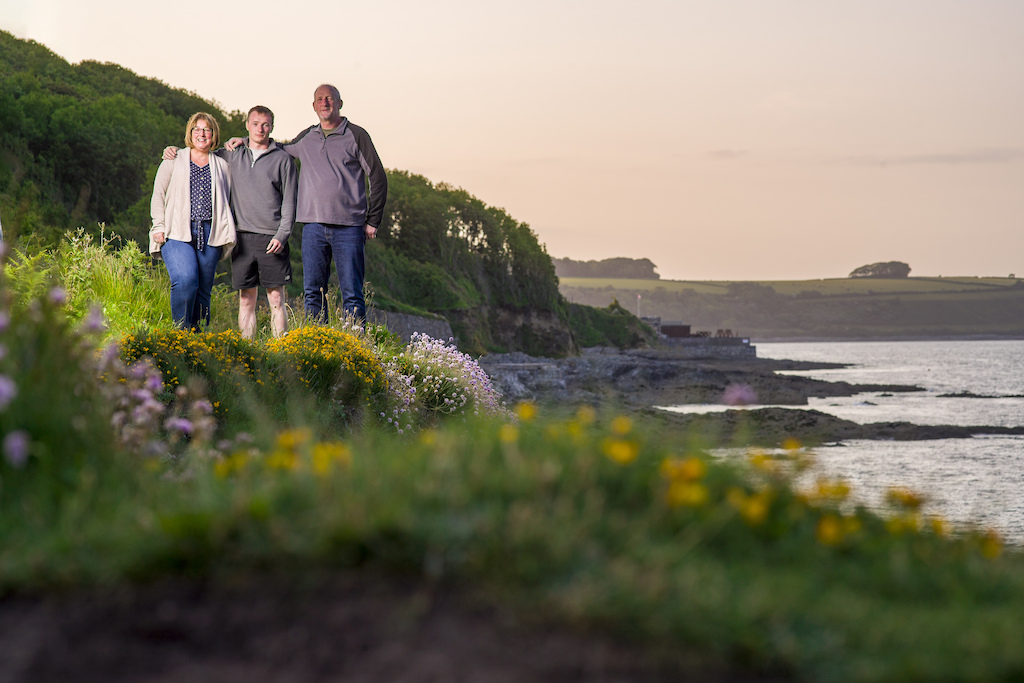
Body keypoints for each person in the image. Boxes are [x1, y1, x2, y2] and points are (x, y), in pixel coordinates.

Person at [227, 84, 387, 323]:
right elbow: (276, 147)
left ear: (339, 103)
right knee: (313, 292)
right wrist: (243, 140)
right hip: (312, 227)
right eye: (320, 99)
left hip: (349, 227)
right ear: (314, 106)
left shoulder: (356, 135)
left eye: (330, 99)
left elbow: (377, 176)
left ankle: (354, 348)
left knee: (352, 294)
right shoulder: (307, 136)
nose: (325, 103)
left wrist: (373, 220)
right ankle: (315, 345)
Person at [166, 106, 297, 338]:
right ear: (247, 125)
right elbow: (201, 153)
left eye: (265, 124)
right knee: (246, 298)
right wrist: (174, 152)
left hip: (272, 237)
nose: (260, 129)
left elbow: (290, 203)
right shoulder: (233, 154)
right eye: (255, 123)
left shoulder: (283, 160)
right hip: (242, 237)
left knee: (276, 298)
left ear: (272, 127)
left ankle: (281, 350)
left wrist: (282, 234)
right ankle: (247, 350)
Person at [150, 113, 235, 330]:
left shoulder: (222, 166)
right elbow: (158, 194)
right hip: (177, 230)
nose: (202, 134)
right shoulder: (173, 159)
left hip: (210, 233)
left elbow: (228, 201)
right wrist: (158, 226)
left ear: (214, 134)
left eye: (207, 130)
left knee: (203, 290)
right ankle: (180, 333)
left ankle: (199, 341)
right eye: (197, 129)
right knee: (186, 280)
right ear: (190, 133)